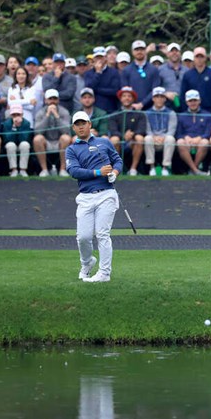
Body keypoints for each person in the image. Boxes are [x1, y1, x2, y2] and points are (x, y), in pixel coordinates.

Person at [65, 110, 123, 283]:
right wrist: (98, 172)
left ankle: (104, 273)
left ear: (90, 124)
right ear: (74, 128)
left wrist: (114, 172)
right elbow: (74, 171)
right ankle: (87, 262)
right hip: (85, 196)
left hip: (106, 194)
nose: (81, 126)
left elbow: (117, 160)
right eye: (77, 124)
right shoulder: (71, 149)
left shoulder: (104, 142)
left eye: (84, 123)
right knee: (83, 237)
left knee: (102, 234)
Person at [33, 88, 73, 177]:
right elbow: (37, 131)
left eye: (54, 99)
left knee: (66, 138)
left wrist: (56, 116)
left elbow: (66, 130)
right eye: (50, 99)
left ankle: (63, 169)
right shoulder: (40, 112)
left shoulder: (64, 112)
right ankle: (44, 170)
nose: (52, 101)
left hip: (60, 141)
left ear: (58, 100)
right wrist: (47, 116)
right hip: (46, 141)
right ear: (46, 100)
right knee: (37, 139)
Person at [108, 86, 147, 168]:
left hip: (133, 142)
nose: (127, 98)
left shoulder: (140, 114)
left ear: (133, 99)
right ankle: (116, 168)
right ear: (120, 98)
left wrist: (132, 135)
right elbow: (113, 131)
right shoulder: (114, 115)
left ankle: (133, 169)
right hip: (120, 141)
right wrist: (124, 136)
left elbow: (142, 129)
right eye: (124, 96)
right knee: (114, 139)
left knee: (140, 138)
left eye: (129, 96)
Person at [176, 90, 211, 175]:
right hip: (187, 141)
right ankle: (195, 170)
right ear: (186, 102)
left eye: (195, 100)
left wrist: (199, 138)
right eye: (190, 101)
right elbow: (178, 133)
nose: (193, 103)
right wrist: (186, 137)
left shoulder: (208, 115)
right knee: (180, 142)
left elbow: (208, 132)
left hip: (201, 139)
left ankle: (193, 169)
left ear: (199, 101)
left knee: (205, 142)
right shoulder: (181, 116)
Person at [144, 87, 177, 176]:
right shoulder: (146, 113)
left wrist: (164, 137)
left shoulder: (171, 113)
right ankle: (152, 167)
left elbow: (172, 129)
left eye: (161, 97)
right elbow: (147, 129)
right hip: (153, 138)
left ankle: (165, 168)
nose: (159, 99)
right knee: (147, 138)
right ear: (153, 99)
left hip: (165, 138)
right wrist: (153, 136)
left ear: (165, 99)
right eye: (157, 97)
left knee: (170, 139)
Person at [84, 47, 121, 113]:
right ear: (94, 59)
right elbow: (88, 88)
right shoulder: (88, 73)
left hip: (110, 108)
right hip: (94, 110)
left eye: (101, 57)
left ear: (106, 58)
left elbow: (115, 91)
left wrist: (97, 90)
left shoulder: (114, 72)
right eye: (97, 57)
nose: (99, 60)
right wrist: (98, 73)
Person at [1, 104, 34, 177]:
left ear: (22, 114)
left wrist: (19, 127)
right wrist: (14, 127)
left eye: (18, 114)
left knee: (25, 145)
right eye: (14, 115)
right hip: (11, 143)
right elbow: (8, 139)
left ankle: (23, 170)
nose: (16, 117)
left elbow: (25, 138)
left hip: (21, 143)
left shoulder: (26, 123)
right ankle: (14, 170)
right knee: (10, 145)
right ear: (10, 115)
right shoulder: (6, 124)